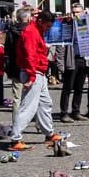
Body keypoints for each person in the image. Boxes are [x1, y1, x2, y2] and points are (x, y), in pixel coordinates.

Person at [11, 10, 56, 139]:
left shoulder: (36, 30)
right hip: (33, 72)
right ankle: (15, 138)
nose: (48, 29)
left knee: (45, 103)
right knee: (28, 107)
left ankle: (49, 133)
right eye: (47, 26)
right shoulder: (31, 32)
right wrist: (31, 77)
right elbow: (30, 56)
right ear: (40, 22)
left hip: (38, 72)